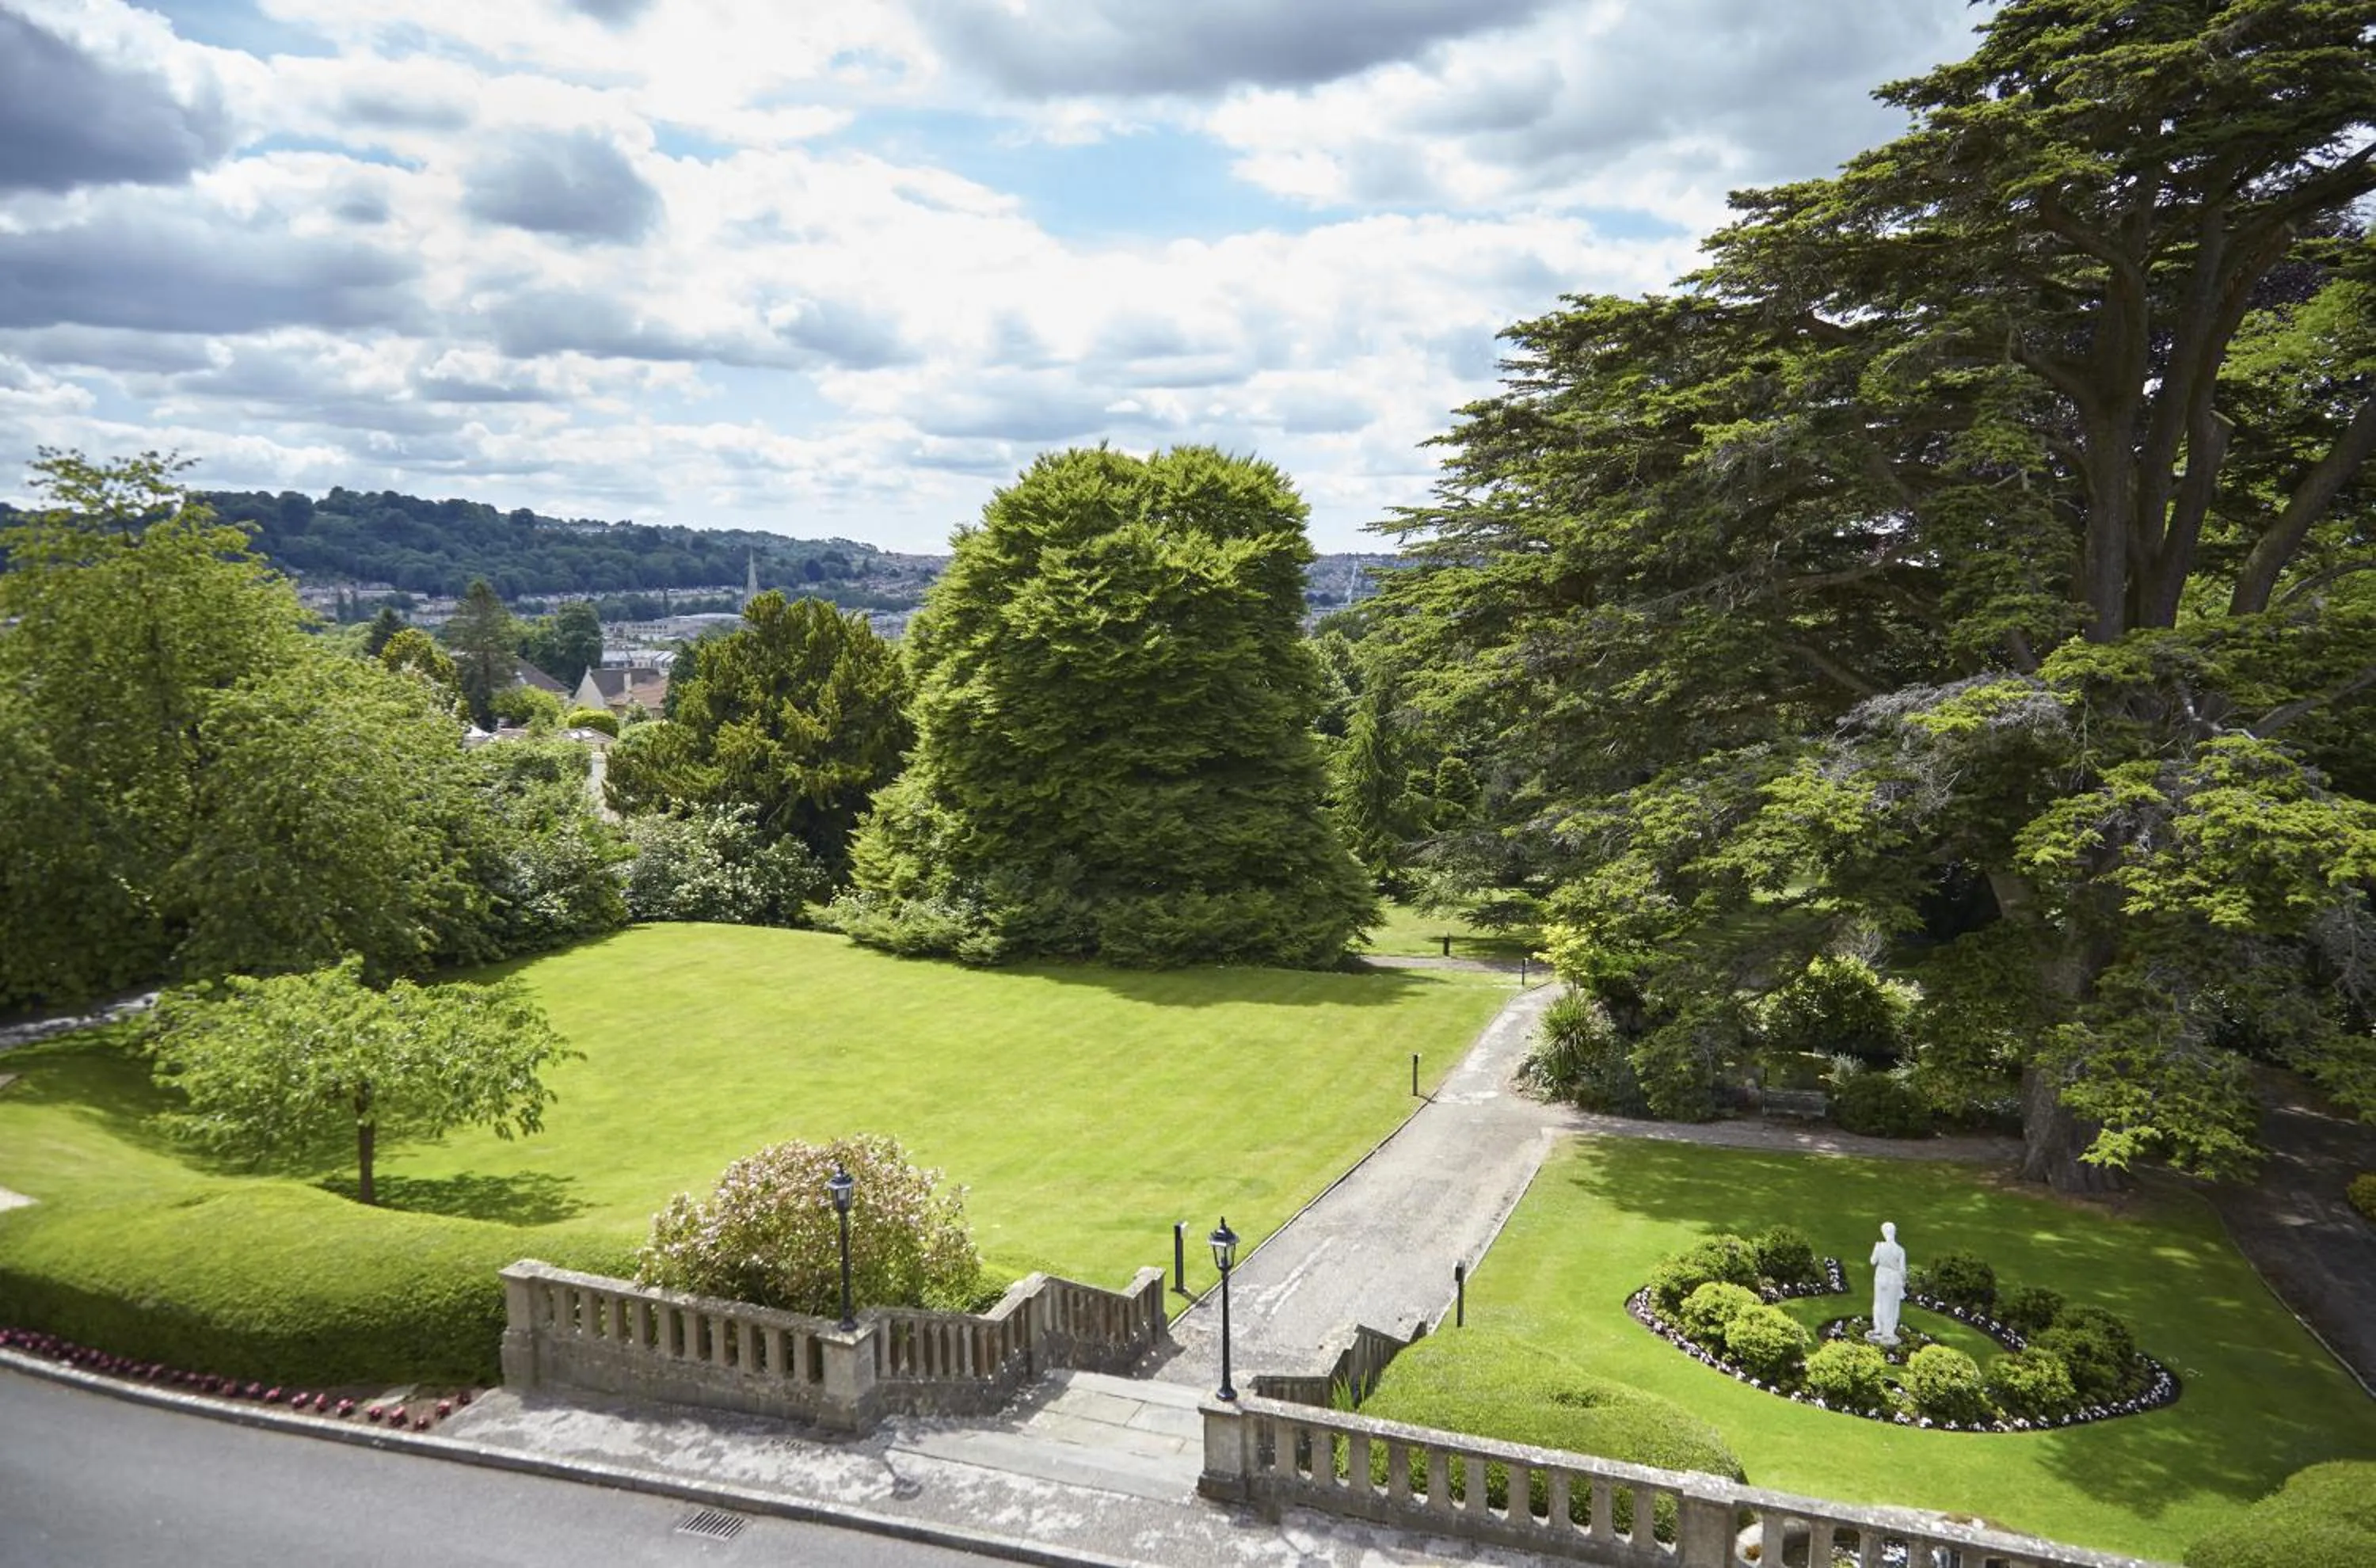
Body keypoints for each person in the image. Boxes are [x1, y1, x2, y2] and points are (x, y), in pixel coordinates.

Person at [1867, 1221, 1906, 1346]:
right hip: (1894, 1278)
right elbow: (1903, 1270)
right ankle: (1888, 1331)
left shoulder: (1879, 1246)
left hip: (1881, 1275)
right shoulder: (1900, 1250)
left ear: (1884, 1233)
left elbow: (1873, 1261)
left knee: (1879, 1301)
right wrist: (1903, 1283)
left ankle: (1879, 1327)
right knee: (1891, 1305)